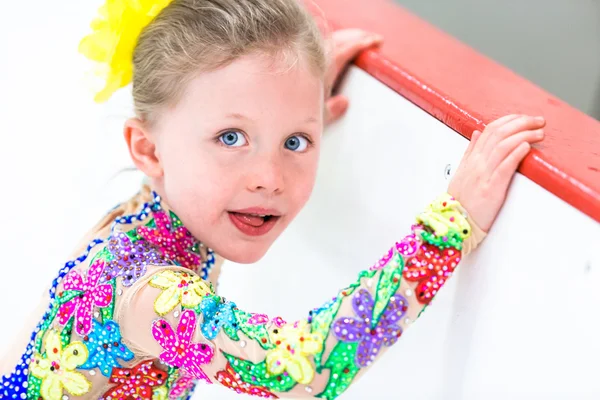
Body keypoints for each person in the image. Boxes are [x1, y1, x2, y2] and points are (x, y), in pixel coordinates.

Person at [0, 0, 546, 398]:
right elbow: (302, 368)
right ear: (149, 150)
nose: (269, 178)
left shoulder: (154, 212)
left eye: (295, 143)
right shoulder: (147, 291)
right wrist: (453, 222)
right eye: (230, 138)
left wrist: (283, 104)